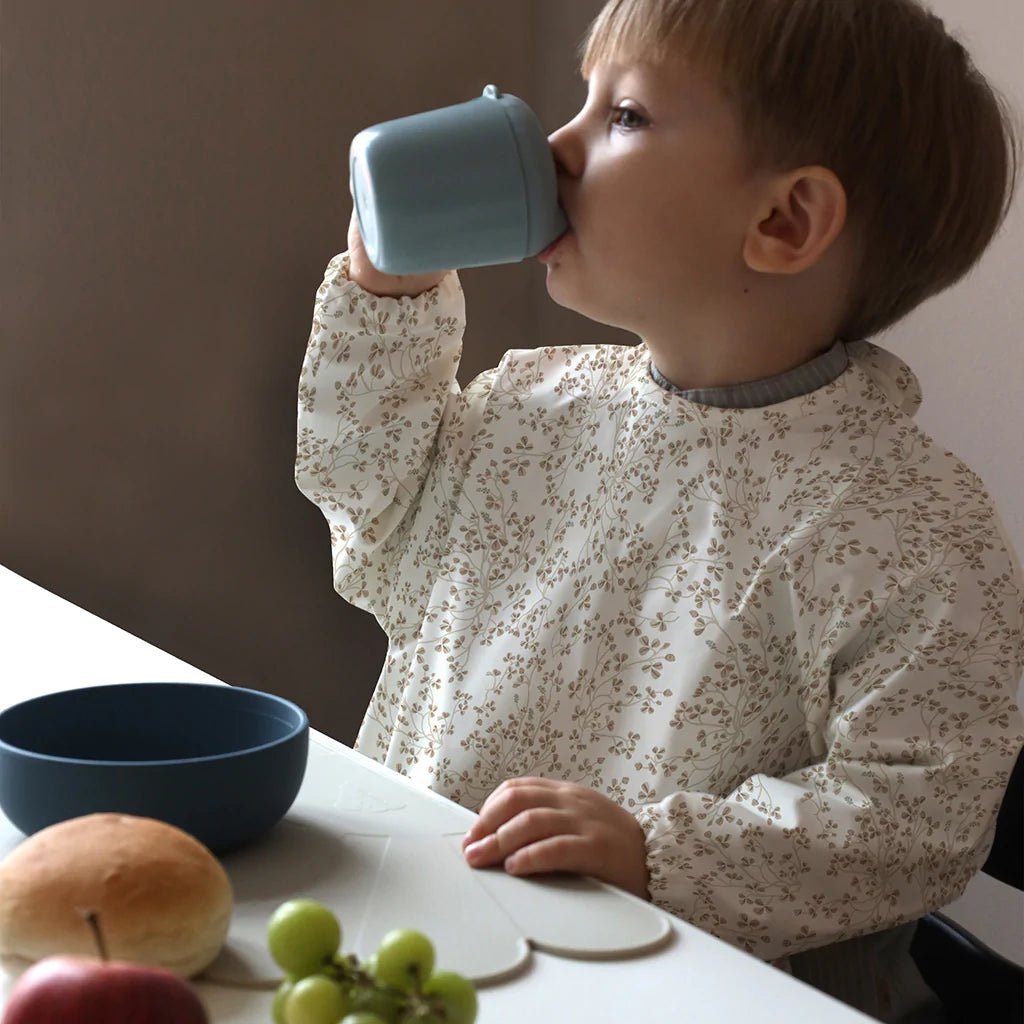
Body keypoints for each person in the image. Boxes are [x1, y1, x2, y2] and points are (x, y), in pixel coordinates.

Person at [295, 0, 1024, 1018]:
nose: (553, 146)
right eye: (581, 101)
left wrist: (659, 855)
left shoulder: (910, 528)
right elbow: (371, 502)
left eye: (622, 115)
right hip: (435, 943)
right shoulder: (532, 406)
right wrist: (387, 295)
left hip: (693, 994)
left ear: (783, 222)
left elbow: (917, 811)